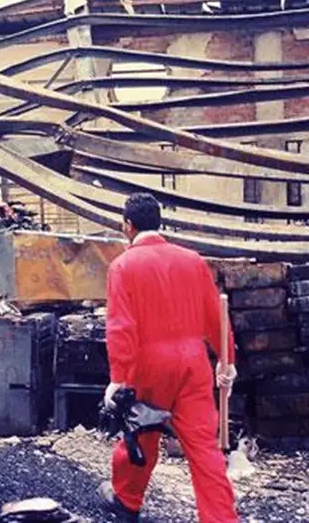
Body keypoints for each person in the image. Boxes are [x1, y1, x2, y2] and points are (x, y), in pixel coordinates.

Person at [98, 193, 239, 523]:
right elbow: (215, 314)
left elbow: (120, 326)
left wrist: (117, 378)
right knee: (205, 447)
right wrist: (226, 359)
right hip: (194, 363)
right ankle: (221, 518)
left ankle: (127, 500)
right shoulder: (192, 260)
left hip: (148, 366)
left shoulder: (123, 266)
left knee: (140, 436)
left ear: (127, 226)